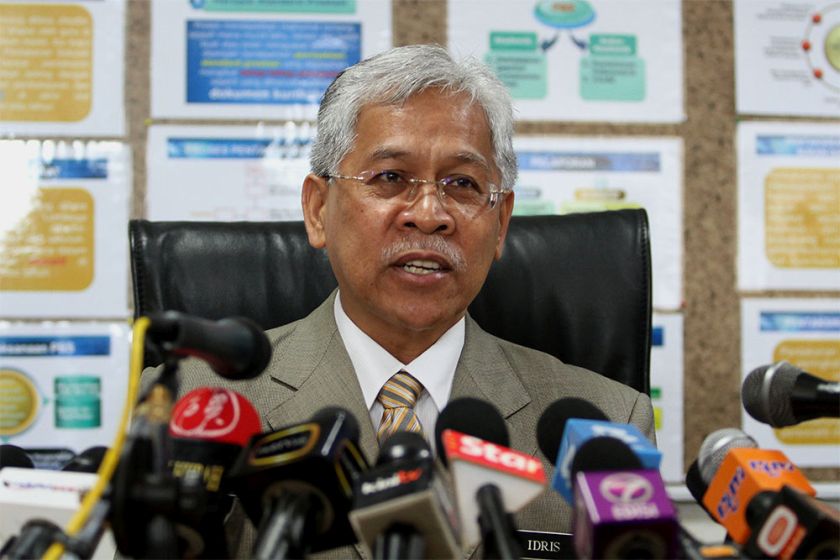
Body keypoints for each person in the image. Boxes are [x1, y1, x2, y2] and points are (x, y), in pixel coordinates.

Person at [155, 44, 654, 558]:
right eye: (390, 177)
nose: (429, 214)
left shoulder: (606, 427)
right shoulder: (196, 405)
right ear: (318, 209)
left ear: (501, 223)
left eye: (462, 183)